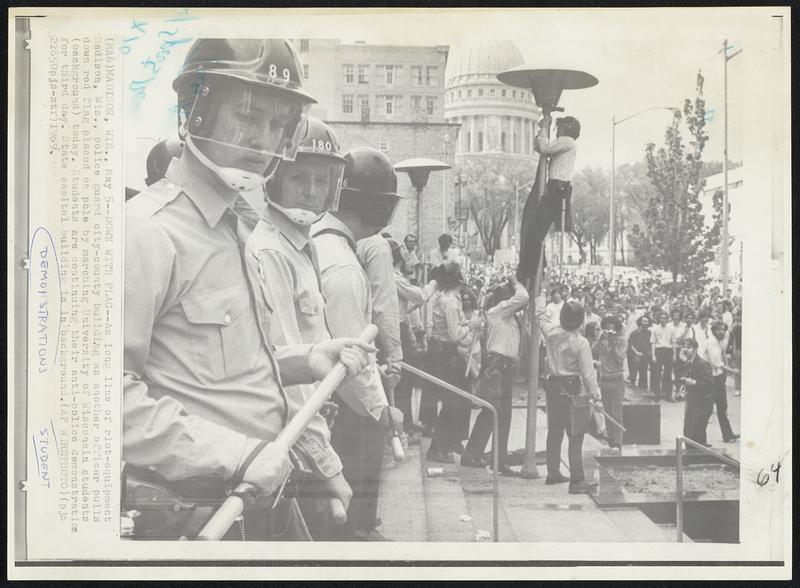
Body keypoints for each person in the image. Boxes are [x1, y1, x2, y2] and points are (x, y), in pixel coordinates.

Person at [123, 38, 375, 541]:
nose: (264, 140)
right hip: (195, 514)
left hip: (260, 495)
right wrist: (239, 454)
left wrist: (305, 358)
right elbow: (103, 400)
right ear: (196, 111)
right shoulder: (147, 232)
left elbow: (209, 372)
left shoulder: (237, 228)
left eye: (279, 125)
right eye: (249, 116)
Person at [245, 116, 358, 540]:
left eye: (322, 180)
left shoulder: (301, 245)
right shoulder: (271, 250)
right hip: (292, 445)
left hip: (309, 438)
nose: (312, 191)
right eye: (298, 178)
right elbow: (290, 375)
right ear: (273, 178)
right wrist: (328, 466)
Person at [312, 146, 404, 541]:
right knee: (343, 520)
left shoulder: (316, 241)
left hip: (314, 397)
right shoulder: (346, 267)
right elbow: (353, 363)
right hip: (341, 408)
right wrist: (382, 410)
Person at [534, 276, 603, 495]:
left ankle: (553, 472)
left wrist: (541, 293)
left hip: (553, 387)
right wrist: (597, 397)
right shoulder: (581, 343)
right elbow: (588, 373)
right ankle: (577, 480)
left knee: (554, 431)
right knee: (575, 435)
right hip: (573, 389)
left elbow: (540, 315)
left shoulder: (551, 333)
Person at [462, 280, 529, 474]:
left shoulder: (508, 317)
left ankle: (498, 459)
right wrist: (518, 283)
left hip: (505, 368)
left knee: (503, 416)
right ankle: (471, 453)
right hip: (497, 366)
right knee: (491, 413)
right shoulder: (496, 312)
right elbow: (523, 297)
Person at [426, 261, 483, 463]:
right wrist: (471, 325)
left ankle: (448, 443)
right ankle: (437, 448)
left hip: (453, 354)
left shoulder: (452, 299)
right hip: (450, 355)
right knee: (453, 403)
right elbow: (454, 335)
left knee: (458, 402)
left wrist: (468, 325)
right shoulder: (450, 301)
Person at [516, 115, 580, 283]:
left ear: (567, 129)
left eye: (559, 128)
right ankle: (535, 267)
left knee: (535, 230)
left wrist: (544, 128)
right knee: (537, 231)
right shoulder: (566, 144)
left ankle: (531, 270)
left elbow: (544, 148)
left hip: (557, 188)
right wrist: (542, 131)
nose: (557, 131)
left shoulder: (567, 141)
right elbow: (542, 147)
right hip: (557, 188)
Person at [699, 321, 740, 443]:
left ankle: (727, 434)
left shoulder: (719, 342)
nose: (721, 332)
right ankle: (700, 439)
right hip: (709, 379)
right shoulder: (711, 343)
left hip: (718, 378)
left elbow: (721, 360)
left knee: (722, 408)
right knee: (706, 410)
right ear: (713, 331)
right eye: (718, 329)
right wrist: (733, 370)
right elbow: (716, 362)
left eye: (723, 329)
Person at [594, 315, 627, 451]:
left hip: (617, 379)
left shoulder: (622, 340)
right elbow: (593, 351)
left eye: (611, 326)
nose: (609, 328)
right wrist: (601, 338)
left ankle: (618, 442)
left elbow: (620, 358)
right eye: (607, 326)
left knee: (616, 413)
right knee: (607, 412)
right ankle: (611, 441)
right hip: (604, 378)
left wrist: (613, 344)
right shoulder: (603, 339)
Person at [678, 339, 714, 446]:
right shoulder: (688, 363)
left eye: (688, 347)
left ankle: (696, 458)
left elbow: (709, 385)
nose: (685, 350)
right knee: (688, 434)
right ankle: (696, 457)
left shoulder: (703, 364)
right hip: (692, 402)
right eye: (683, 347)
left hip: (703, 404)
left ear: (695, 349)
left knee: (694, 435)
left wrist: (693, 383)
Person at [650, 311, 675, 401]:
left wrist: (674, 354)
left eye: (665, 318)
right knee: (657, 374)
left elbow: (673, 342)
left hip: (668, 351)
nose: (663, 320)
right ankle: (656, 395)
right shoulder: (655, 329)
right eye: (661, 318)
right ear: (659, 319)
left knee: (668, 374)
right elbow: (653, 342)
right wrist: (653, 355)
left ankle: (668, 395)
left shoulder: (671, 329)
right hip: (659, 351)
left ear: (667, 319)